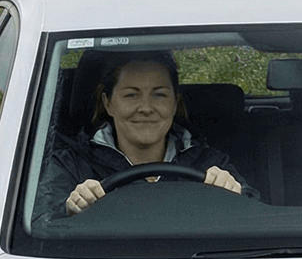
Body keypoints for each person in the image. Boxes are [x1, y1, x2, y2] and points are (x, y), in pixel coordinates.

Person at [35, 52, 256, 220]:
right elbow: (40, 221)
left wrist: (235, 195)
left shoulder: (209, 163)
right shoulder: (71, 166)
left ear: (175, 103)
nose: (146, 107)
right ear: (108, 103)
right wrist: (69, 207)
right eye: (131, 95)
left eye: (159, 95)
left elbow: (254, 214)